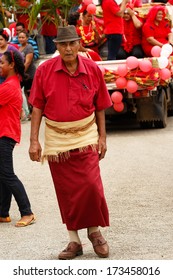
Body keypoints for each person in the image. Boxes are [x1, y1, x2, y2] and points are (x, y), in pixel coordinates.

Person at [28, 25, 112, 259]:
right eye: (63, 44)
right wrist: (34, 141)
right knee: (67, 192)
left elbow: (101, 106)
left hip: (86, 136)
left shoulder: (93, 69)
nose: (68, 48)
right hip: (57, 140)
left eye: (72, 43)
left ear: (79, 44)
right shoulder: (45, 71)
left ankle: (95, 232)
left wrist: (102, 137)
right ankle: (74, 241)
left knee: (91, 186)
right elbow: (37, 107)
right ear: (56, 46)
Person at [0, 50, 35, 227]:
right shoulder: (11, 83)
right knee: (3, 174)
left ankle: (27, 212)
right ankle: (3, 212)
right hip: (5, 134)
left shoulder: (9, 86)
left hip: (5, 135)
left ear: (12, 65)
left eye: (1, 63)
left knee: (7, 174)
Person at [18, 30, 36, 118]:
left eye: (23, 37)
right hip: (22, 75)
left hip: (30, 74)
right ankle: (26, 111)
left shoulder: (29, 47)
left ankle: (33, 112)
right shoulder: (18, 48)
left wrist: (21, 73)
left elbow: (28, 62)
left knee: (30, 92)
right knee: (23, 92)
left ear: (27, 38)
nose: (21, 39)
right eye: (19, 37)